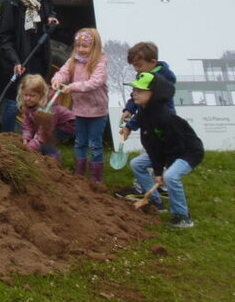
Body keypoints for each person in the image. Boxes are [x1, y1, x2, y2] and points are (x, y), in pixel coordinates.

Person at [126, 71, 204, 229]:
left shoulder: (164, 117)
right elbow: (152, 146)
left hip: (187, 151)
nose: (134, 93)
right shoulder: (144, 113)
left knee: (171, 176)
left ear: (153, 94)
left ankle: (182, 216)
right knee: (137, 164)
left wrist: (163, 170)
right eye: (134, 90)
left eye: (140, 90)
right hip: (165, 150)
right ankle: (156, 202)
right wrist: (157, 171)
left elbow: (175, 146)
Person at [0, 0, 59, 132]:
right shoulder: (11, 3)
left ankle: (33, 138)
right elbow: (5, 37)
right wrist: (15, 61)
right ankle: (7, 137)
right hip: (18, 60)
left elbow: (51, 13)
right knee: (13, 102)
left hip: (38, 57)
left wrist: (51, 17)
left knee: (37, 98)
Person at [114, 42, 178, 198]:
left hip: (162, 124)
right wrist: (129, 109)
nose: (137, 69)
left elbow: (147, 110)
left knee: (152, 154)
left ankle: (143, 187)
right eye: (134, 66)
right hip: (151, 122)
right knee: (154, 154)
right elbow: (135, 95)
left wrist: (130, 126)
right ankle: (161, 187)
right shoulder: (144, 74)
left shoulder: (160, 81)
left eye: (139, 65)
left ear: (153, 62)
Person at [51, 28, 109, 184]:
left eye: (85, 46)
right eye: (78, 46)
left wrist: (72, 87)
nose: (81, 49)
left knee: (95, 144)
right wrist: (57, 79)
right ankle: (79, 174)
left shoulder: (100, 63)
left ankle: (96, 178)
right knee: (80, 142)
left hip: (97, 111)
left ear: (94, 47)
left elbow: (94, 83)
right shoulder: (73, 61)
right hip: (79, 110)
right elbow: (63, 73)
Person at [17, 74, 75, 163]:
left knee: (46, 140)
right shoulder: (29, 104)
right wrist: (26, 138)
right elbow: (27, 124)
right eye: (26, 95)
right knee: (38, 139)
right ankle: (41, 156)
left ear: (41, 95)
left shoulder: (49, 109)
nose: (28, 98)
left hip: (67, 126)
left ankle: (53, 160)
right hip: (52, 124)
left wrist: (29, 147)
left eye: (32, 95)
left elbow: (43, 133)